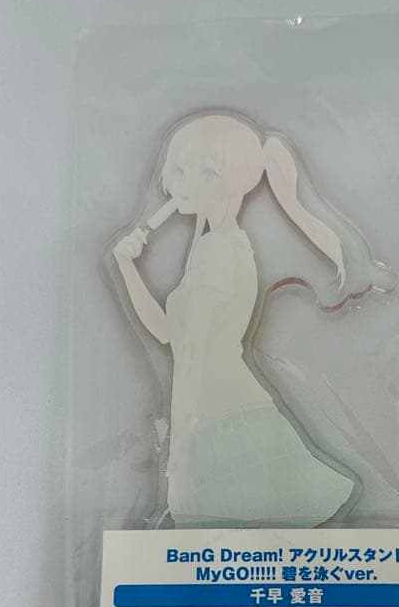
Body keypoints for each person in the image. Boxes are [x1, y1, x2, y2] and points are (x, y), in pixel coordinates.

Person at [113, 113, 359, 526]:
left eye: (206, 172)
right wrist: (126, 267)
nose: (185, 183)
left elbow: (184, 346)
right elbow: (172, 336)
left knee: (223, 531)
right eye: (181, 170)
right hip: (217, 410)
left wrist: (184, 437)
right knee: (225, 533)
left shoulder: (220, 252)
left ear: (238, 180)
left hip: (219, 415)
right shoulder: (211, 248)